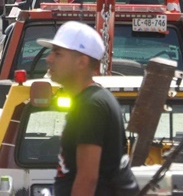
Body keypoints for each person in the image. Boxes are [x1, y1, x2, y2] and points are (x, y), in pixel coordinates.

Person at [40, 21, 137, 196]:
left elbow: (87, 179)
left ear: (82, 62)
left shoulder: (91, 106)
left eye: (58, 53)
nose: (49, 59)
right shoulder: (90, 100)